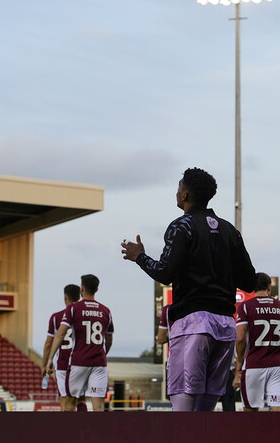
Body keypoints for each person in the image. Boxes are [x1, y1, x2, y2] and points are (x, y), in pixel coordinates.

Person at [121, 167, 256, 412]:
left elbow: (165, 273)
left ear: (184, 195)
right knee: (205, 410)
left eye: (178, 187)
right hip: (226, 327)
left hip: (193, 323)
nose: (177, 191)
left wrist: (139, 256)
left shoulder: (181, 226)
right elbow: (250, 282)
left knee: (183, 405)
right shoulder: (230, 231)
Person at [232, 272, 280, 411]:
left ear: (252, 288)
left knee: (250, 411)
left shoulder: (245, 306)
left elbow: (240, 339)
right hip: (278, 366)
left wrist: (239, 365)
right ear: (269, 287)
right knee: (279, 410)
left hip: (254, 365)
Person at [44, 274, 114, 412]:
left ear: (82, 289)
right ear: (97, 289)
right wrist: (102, 353)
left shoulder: (74, 308)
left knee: (69, 401)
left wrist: (50, 358)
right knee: (98, 406)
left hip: (78, 362)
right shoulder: (106, 311)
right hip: (99, 363)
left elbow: (61, 333)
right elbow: (109, 340)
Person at [41, 284, 81, 410]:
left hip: (63, 363)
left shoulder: (56, 317)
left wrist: (45, 363)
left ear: (65, 297)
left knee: (65, 400)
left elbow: (48, 343)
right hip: (80, 362)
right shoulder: (83, 314)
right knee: (79, 399)